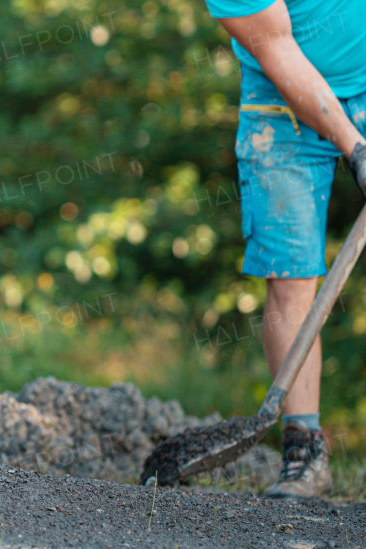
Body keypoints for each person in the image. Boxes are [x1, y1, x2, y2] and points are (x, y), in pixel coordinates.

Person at [204, 0, 366, 498]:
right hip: (280, 98)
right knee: (290, 275)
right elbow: (275, 47)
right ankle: (304, 449)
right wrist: (357, 151)